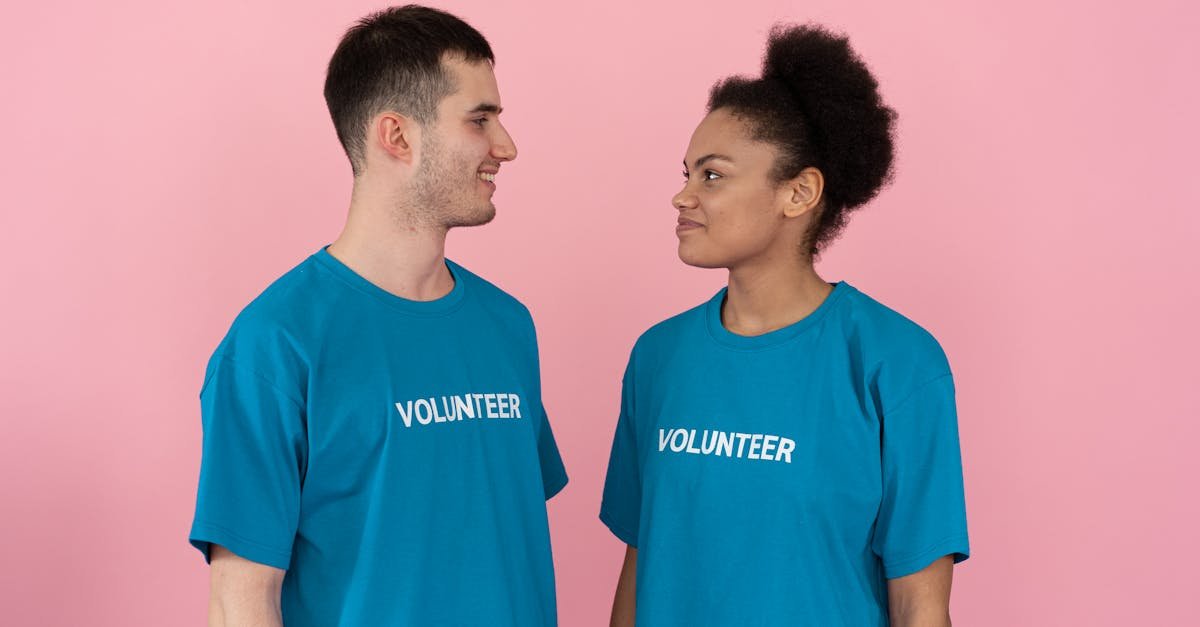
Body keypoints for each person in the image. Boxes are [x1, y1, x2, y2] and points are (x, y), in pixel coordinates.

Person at [188, 5, 567, 626]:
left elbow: (497, 537)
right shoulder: (273, 346)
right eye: (480, 119)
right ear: (397, 135)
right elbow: (242, 600)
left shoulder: (508, 325)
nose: (507, 146)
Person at [601, 23, 969, 626]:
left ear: (798, 193)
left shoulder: (896, 362)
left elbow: (920, 606)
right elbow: (641, 564)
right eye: (686, 173)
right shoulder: (658, 357)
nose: (683, 196)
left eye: (712, 175)